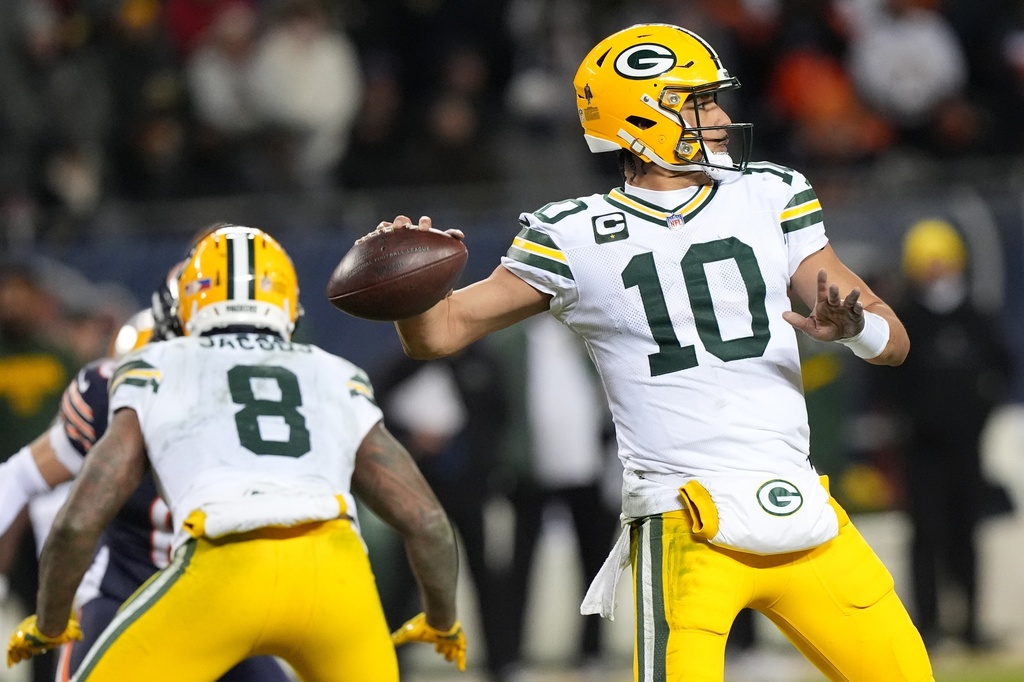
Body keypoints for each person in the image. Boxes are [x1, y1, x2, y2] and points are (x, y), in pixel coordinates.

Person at [371, 23, 933, 681]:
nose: (719, 116)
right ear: (640, 116)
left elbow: (894, 341)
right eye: (699, 102)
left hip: (801, 506)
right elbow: (438, 333)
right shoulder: (571, 234)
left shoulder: (771, 192)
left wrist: (856, 329)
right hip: (684, 522)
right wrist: (404, 287)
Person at [6, 225, 465, 681]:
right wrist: (442, 621)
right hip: (337, 578)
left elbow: (77, 522)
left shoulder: (153, 365)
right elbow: (427, 521)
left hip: (224, 565)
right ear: (288, 303)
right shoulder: (333, 372)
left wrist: (49, 626)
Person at [0, 263, 293, 681]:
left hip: (217, 602)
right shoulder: (109, 391)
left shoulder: (269, 391)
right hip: (126, 593)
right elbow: (21, 476)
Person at [882, 219, 1012, 649]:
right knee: (925, 535)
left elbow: (1001, 368)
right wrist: (908, 420)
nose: (936, 270)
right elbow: (887, 381)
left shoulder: (976, 316)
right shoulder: (906, 319)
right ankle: (928, 626)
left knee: (966, 535)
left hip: (967, 447)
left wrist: (981, 412)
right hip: (920, 450)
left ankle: (971, 625)